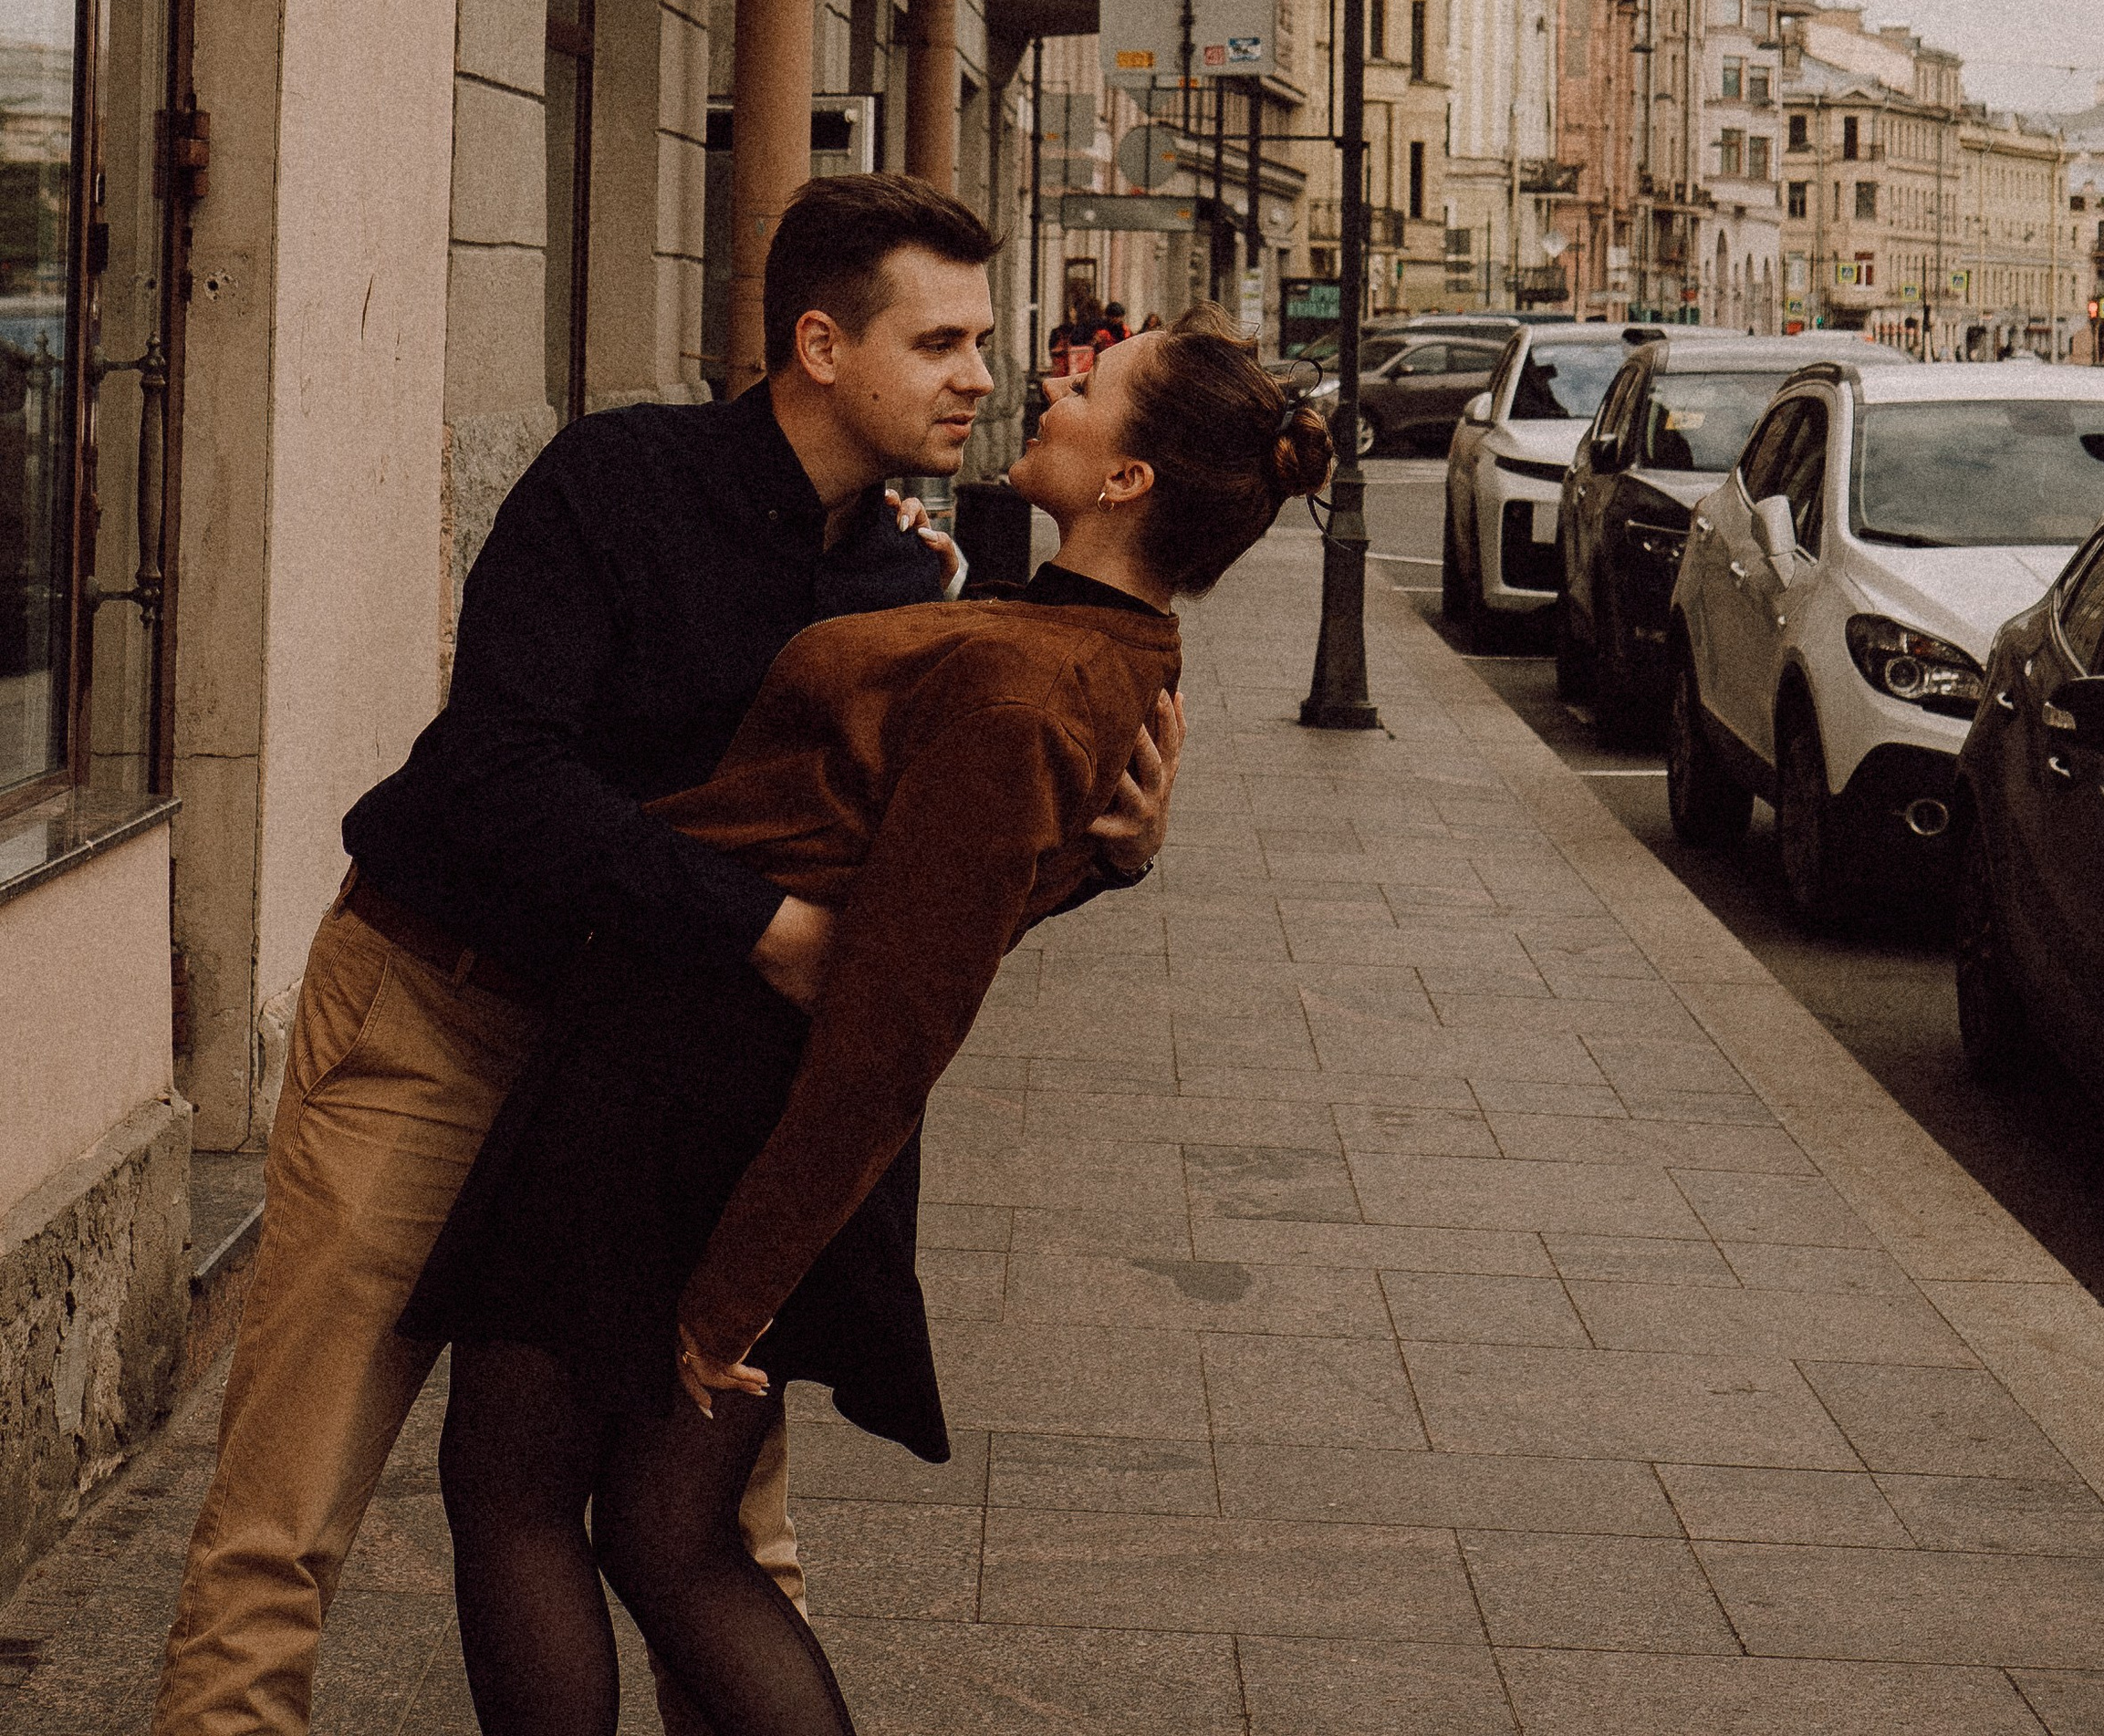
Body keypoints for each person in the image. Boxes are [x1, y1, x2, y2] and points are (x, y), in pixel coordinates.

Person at [151, 174, 1182, 1736]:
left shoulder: (909, 581)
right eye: (944, 340)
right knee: (286, 1517)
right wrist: (760, 930)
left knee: (711, 1526)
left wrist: (1104, 857)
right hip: (444, 1013)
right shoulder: (616, 481)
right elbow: (500, 771)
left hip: (646, 1090)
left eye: (991, 341)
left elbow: (911, 893)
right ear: (821, 346)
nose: (985, 373)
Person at [406, 312, 1331, 1736]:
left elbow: (900, 1020)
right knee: (664, 1542)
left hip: (684, 1091)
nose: (1050, 381)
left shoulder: (1035, 684)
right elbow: (945, 899)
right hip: (705, 1078)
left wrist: (732, 1299)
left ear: (1130, 482)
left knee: (521, 1492)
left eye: (1093, 385)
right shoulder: (1076, 645)